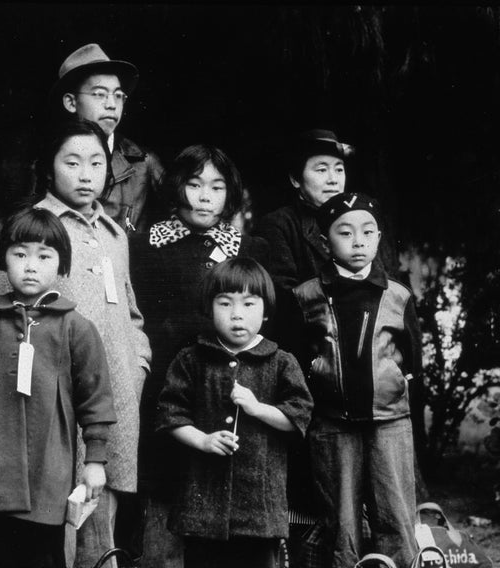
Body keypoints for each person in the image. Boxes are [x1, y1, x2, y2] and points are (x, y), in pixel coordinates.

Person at [0, 119, 151, 568]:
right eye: (72, 162)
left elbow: (131, 312)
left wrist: (137, 363)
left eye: (96, 163)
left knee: (104, 515)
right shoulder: (34, 230)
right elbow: (0, 312)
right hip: (52, 409)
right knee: (57, 525)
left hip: (114, 401)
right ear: (50, 167)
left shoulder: (115, 236)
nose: (85, 174)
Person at [0, 207, 117, 568]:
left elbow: (96, 399)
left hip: (48, 477)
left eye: (44, 255)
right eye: (20, 254)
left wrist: (96, 461)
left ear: (61, 264)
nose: (31, 265)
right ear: (3, 261)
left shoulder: (76, 328)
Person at [129, 144, 269, 567]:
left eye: (217, 186)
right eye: (194, 184)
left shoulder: (249, 248)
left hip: (228, 391)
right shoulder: (143, 246)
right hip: (163, 390)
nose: (205, 196)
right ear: (177, 187)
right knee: (163, 499)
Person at [156, 257, 313, 568]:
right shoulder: (191, 359)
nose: (237, 315)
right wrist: (202, 440)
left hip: (259, 508)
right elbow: (169, 414)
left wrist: (258, 409)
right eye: (225, 303)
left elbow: (299, 417)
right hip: (202, 506)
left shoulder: (282, 361)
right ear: (209, 307)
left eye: (249, 304)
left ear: (266, 310)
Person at [291, 192, 421, 568]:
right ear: (324, 242)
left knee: (395, 514)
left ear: (379, 238)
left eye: (368, 232)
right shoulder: (307, 296)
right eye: (345, 233)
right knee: (340, 521)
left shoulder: (397, 296)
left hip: (390, 422)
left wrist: (394, 384)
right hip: (332, 426)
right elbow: (299, 359)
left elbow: (410, 358)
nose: (358, 241)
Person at [52, 43, 164, 233]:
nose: (112, 104)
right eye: (99, 94)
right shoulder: (46, 162)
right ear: (71, 102)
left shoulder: (144, 164)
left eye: (119, 95)